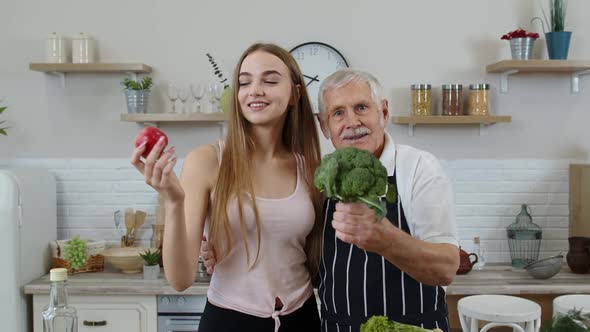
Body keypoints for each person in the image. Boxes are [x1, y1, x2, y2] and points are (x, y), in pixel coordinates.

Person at [202, 68, 460, 332]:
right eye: (338, 113)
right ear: (324, 126)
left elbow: (446, 268)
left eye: (361, 107)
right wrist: (226, 248)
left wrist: (385, 239)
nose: (352, 122)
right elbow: (306, 260)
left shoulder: (418, 168)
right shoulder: (321, 179)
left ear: (383, 112)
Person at [130, 43, 324, 332]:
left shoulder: (309, 166)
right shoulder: (207, 161)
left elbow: (314, 255)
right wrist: (172, 199)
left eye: (270, 80)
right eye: (244, 82)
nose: (255, 90)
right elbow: (180, 279)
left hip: (301, 319)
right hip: (229, 320)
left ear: (295, 93)